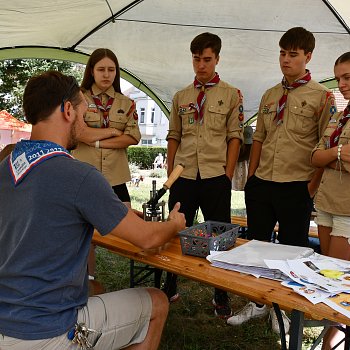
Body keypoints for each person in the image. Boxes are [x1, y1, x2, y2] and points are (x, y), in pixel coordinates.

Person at [0, 71, 186, 350]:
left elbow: (45, 214)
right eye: (82, 112)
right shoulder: (79, 175)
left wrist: (113, 211)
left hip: (6, 320)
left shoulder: (6, 167)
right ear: (66, 110)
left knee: (96, 289)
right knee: (157, 302)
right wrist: (174, 224)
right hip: (47, 330)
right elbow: (148, 238)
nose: (84, 122)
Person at [227, 27, 336, 333]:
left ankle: (284, 310)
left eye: (293, 54)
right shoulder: (270, 94)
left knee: (291, 251)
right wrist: (252, 179)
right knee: (257, 245)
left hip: (296, 185)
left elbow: (325, 146)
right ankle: (259, 302)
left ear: (308, 56)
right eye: (282, 53)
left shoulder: (322, 97)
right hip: (262, 183)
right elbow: (259, 138)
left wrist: (311, 187)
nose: (285, 60)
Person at [164, 32, 244, 318]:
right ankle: (169, 283)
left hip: (214, 175)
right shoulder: (181, 96)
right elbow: (174, 135)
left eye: (207, 59)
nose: (201, 65)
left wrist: (228, 174)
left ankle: (220, 292)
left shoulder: (231, 95)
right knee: (174, 230)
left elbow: (235, 137)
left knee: (219, 236)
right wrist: (171, 167)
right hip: (183, 175)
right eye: (196, 59)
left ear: (217, 58)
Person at [71, 48, 141, 279]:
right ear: (92, 71)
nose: (106, 74)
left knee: (126, 222)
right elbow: (78, 132)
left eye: (111, 70)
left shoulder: (126, 103)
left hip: (116, 175)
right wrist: (112, 131)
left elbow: (132, 137)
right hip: (83, 173)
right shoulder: (77, 98)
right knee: (84, 230)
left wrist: (98, 142)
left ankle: (140, 268)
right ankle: (87, 277)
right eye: (101, 69)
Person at [311, 51, 350, 350]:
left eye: (348, 77)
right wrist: (336, 154)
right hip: (326, 203)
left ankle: (330, 344)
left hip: (347, 210)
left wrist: (329, 156)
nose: (342, 84)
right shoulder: (341, 114)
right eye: (338, 78)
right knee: (330, 279)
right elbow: (315, 156)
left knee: (338, 284)